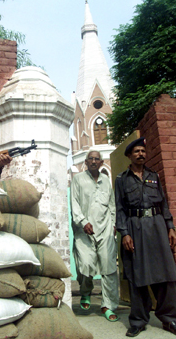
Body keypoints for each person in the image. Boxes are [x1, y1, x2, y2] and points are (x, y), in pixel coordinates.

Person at [115, 137, 176, 337]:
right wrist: (124, 233)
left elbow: (164, 203)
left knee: (166, 273)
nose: (141, 154)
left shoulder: (154, 176)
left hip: (157, 226)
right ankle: (138, 320)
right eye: (136, 151)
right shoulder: (121, 179)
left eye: (143, 151)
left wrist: (170, 226)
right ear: (129, 156)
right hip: (135, 227)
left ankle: (169, 319)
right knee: (137, 275)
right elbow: (120, 209)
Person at [70, 149, 119, 322]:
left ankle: (108, 305)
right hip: (84, 230)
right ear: (85, 162)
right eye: (90, 159)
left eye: (96, 159)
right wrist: (83, 222)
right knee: (85, 265)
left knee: (109, 267)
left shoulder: (106, 181)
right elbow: (74, 203)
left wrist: (113, 224)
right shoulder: (78, 180)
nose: (93, 161)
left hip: (105, 229)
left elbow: (111, 205)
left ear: (101, 162)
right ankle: (85, 292)